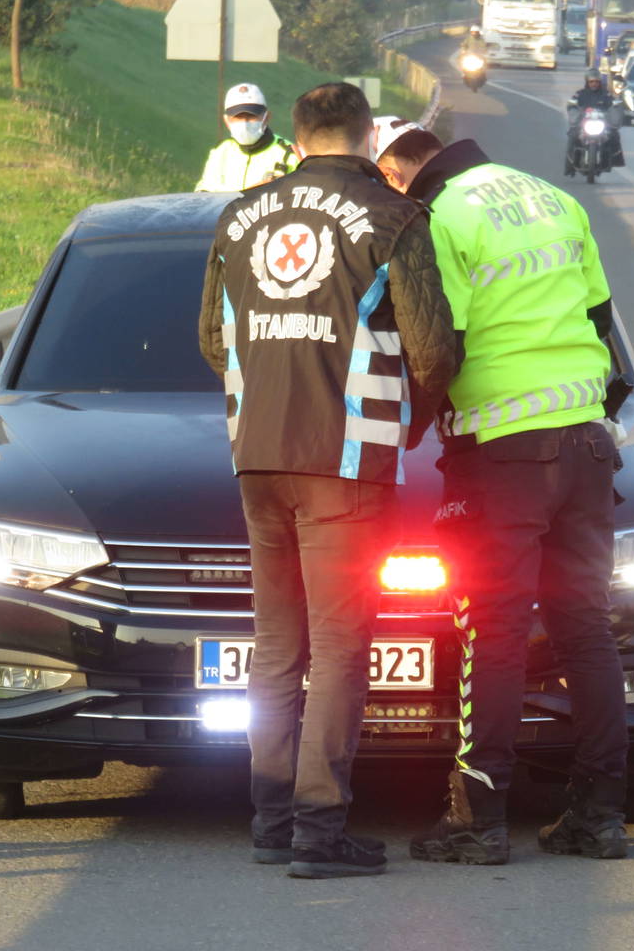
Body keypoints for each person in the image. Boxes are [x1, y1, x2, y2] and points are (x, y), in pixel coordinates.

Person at [199, 82, 457, 879]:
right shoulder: (392, 217)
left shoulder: (237, 218)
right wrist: (407, 420)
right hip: (344, 463)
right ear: (368, 133)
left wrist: (262, 396)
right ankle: (320, 829)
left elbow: (213, 336)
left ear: (299, 135)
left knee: (277, 644)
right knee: (342, 648)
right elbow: (432, 347)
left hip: (258, 455)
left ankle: (272, 819)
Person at [373, 122, 630, 865]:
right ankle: (600, 815)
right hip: (585, 446)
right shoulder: (552, 198)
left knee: (493, 632)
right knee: (587, 630)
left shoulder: (437, 217)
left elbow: (436, 343)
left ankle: (477, 818)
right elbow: (600, 322)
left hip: (503, 455)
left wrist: (411, 428)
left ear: (396, 175)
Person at [194, 83, 300, 192]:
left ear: (267, 117)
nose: (245, 122)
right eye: (238, 117)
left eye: (251, 116)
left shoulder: (289, 154)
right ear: (227, 121)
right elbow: (203, 194)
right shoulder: (221, 151)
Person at [565, 68, 625, 175]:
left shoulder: (606, 95)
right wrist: (573, 107)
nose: (594, 84)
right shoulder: (580, 94)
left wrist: (616, 107)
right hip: (584, 123)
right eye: (591, 82)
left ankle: (615, 160)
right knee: (572, 135)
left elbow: (614, 104)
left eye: (596, 82)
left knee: (614, 135)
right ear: (587, 82)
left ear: (600, 82)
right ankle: (570, 165)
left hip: (601, 123)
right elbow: (572, 103)